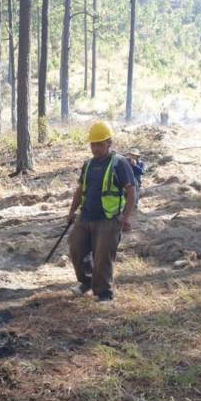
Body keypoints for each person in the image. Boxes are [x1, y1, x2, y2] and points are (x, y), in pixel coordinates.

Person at [66, 121, 137, 302]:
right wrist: (72, 211)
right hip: (86, 216)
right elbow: (80, 189)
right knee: (76, 248)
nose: (95, 148)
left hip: (108, 219)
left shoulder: (119, 163)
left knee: (102, 258)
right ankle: (86, 282)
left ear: (109, 143)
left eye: (99, 144)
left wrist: (126, 217)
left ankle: (104, 293)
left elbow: (131, 190)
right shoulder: (88, 164)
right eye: (93, 144)